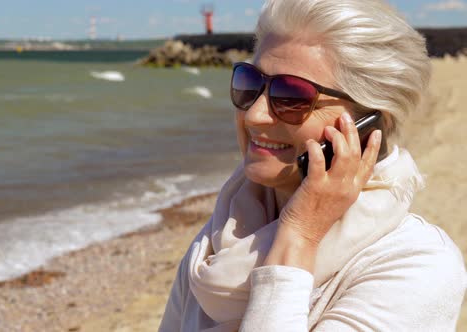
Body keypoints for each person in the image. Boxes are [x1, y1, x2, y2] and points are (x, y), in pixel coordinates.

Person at [158, 0, 467, 331]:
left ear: (369, 123)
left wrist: (299, 235)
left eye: (291, 96)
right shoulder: (219, 238)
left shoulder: (417, 264)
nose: (254, 115)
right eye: (250, 83)